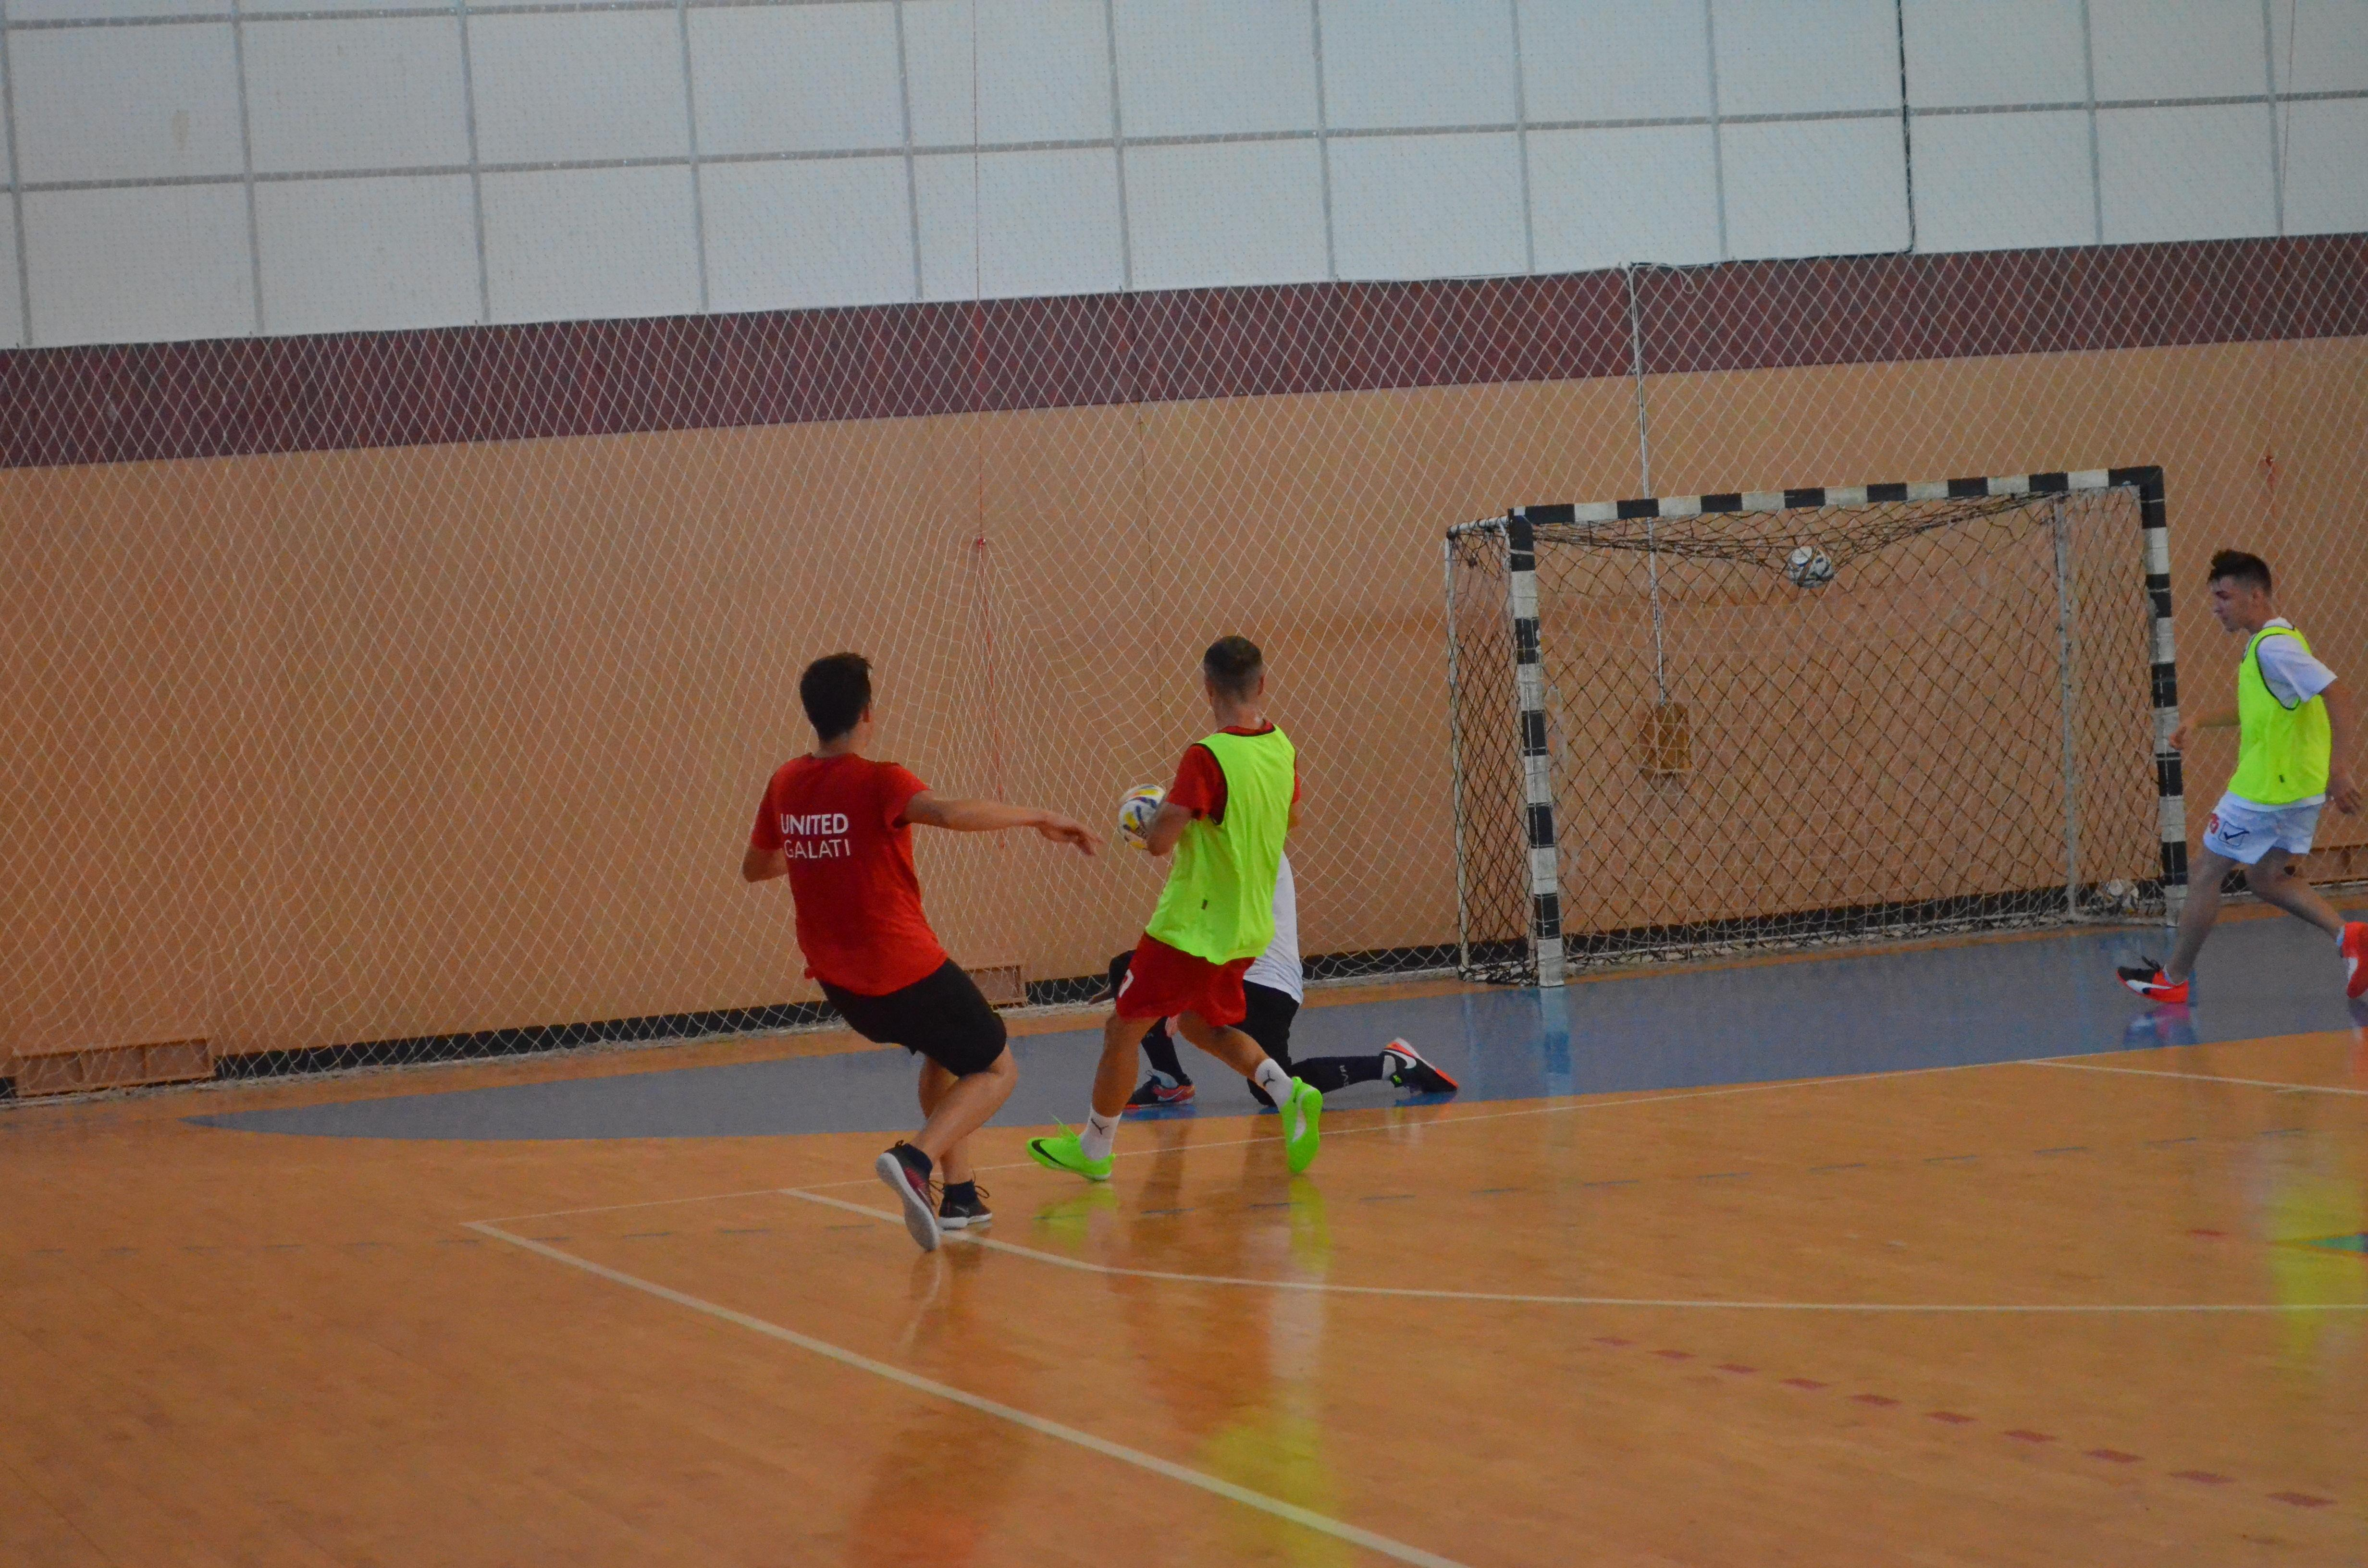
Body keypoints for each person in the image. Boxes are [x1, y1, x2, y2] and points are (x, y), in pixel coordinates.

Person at [743, 652, 1099, 1252]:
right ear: (866, 714)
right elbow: (948, 813)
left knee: (945, 1053)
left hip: (843, 986)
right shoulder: (878, 779)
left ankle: (960, 1197)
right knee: (995, 1066)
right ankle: (915, 1160)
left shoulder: (785, 783)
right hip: (899, 967)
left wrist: (817, 847)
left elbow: (757, 868)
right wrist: (1039, 815)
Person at [1027, 636, 1324, 1181]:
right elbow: (1293, 819)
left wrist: (1148, 822)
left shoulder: (1206, 756)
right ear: (1260, 684)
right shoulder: (1280, 746)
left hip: (1192, 927)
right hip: (1247, 927)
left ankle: (1094, 1149)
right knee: (1198, 1024)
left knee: (1122, 1028)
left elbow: (1160, 842)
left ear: (1207, 687)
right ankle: (1288, 1092)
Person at [2119, 551, 2367, 1004]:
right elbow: (2260, 710)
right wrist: (2199, 721)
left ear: (2256, 595)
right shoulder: (2275, 642)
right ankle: (2348, 937)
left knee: (2206, 871)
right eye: (2213, 598)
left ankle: (2173, 980)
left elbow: (2339, 694)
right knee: (2266, 877)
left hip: (2266, 789)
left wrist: (2341, 768)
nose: (2216, 607)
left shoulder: (2276, 646)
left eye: (2224, 597)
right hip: (2298, 788)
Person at [1116, 852, 1458, 1111]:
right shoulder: (1216, 847)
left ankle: (1395, 1064)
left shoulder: (1247, 850)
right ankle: (1170, 1081)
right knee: (1128, 968)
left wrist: (1188, 993)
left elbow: (1230, 934)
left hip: (1265, 982)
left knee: (1273, 1090)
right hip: (1242, 974)